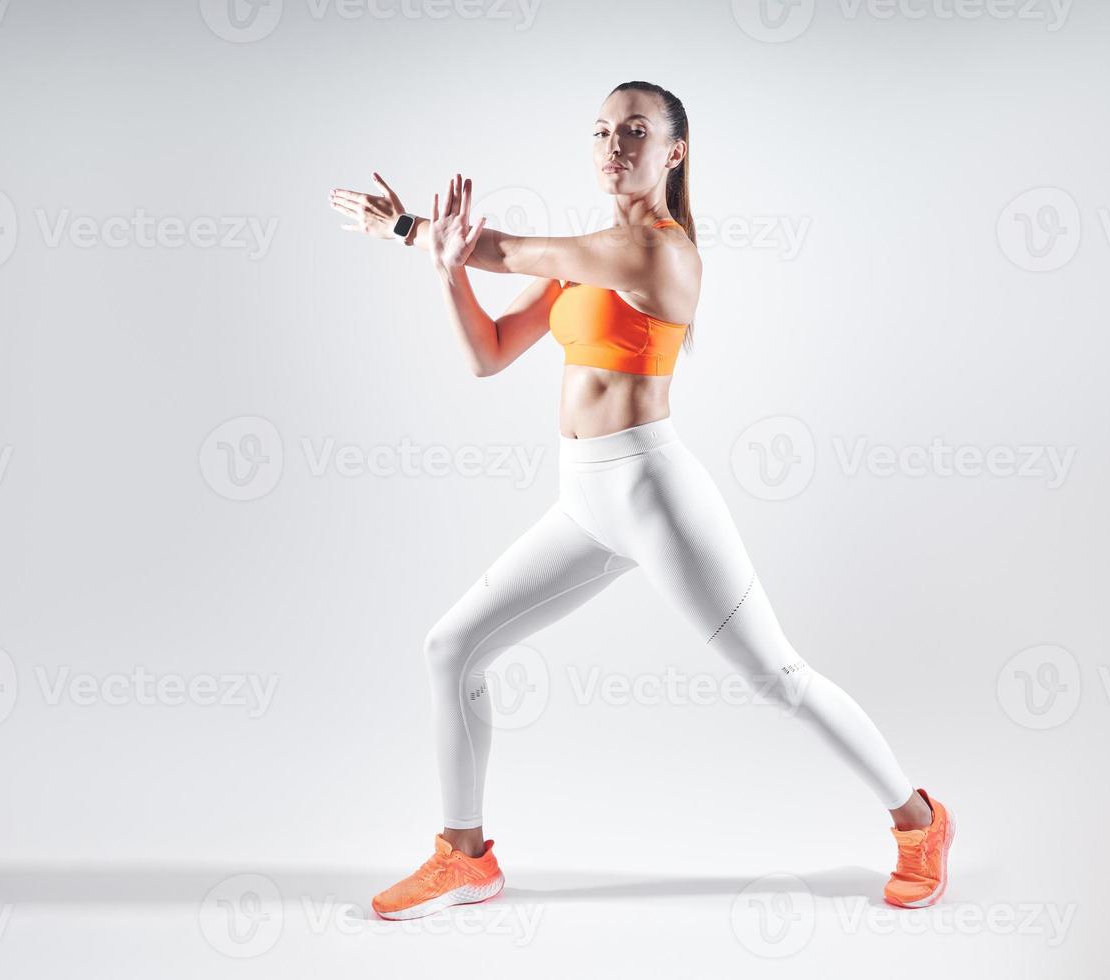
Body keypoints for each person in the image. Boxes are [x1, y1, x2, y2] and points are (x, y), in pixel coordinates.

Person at [328, 80, 955, 921]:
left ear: (673, 153)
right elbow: (487, 355)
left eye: (633, 131)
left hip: (651, 493)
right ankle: (464, 857)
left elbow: (506, 247)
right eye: (600, 131)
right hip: (582, 499)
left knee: (776, 677)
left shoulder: (660, 253)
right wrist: (445, 272)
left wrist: (411, 229)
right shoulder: (583, 258)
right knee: (454, 647)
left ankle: (919, 822)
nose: (612, 145)